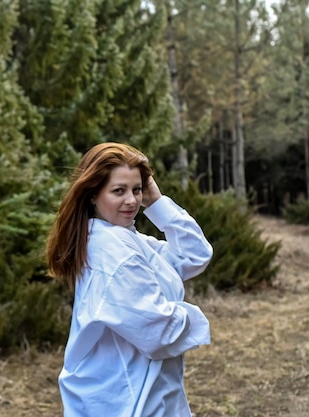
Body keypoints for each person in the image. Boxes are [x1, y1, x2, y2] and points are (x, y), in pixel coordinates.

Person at [46, 142, 213, 417]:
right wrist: (193, 316)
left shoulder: (127, 239)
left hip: (146, 390)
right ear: (92, 194)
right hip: (127, 397)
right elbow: (159, 331)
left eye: (137, 189)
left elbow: (194, 255)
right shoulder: (112, 250)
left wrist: (156, 202)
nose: (132, 201)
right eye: (118, 191)